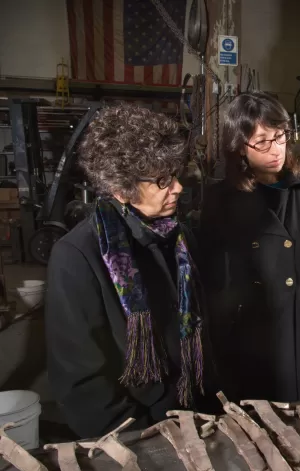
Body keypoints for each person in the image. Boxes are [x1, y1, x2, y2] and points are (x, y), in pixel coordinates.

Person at [45, 104, 217, 438]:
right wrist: (144, 439)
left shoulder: (179, 237)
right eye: (163, 180)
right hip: (141, 431)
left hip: (201, 414)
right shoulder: (78, 256)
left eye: (176, 174)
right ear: (121, 187)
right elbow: (82, 384)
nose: (178, 187)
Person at [199, 92, 300, 403]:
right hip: (249, 350)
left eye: (280, 136)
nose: (276, 149)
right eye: (262, 141)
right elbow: (211, 281)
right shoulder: (220, 200)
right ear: (240, 146)